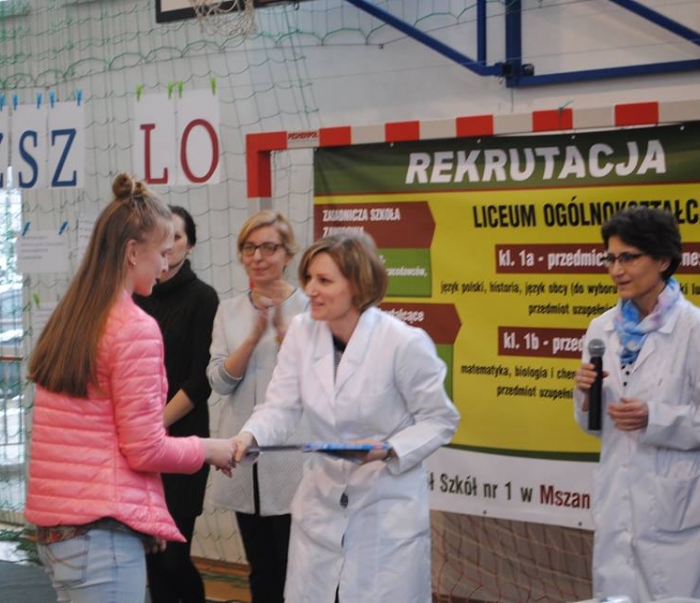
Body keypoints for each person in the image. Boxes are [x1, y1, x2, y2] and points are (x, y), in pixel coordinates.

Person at [24, 174, 235, 603]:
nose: (165, 265)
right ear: (132, 252)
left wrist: (146, 514)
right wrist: (209, 449)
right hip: (98, 537)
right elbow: (144, 449)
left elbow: (103, 437)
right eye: (162, 253)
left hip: (61, 535)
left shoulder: (74, 316)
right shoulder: (133, 326)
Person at [230, 233, 459, 603]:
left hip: (384, 511)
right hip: (320, 507)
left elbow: (440, 420)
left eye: (324, 280)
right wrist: (249, 436)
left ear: (357, 285)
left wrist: (388, 449)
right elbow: (280, 406)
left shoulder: (403, 342)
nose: (311, 290)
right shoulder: (302, 332)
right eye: (309, 278)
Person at [572, 206, 700, 602]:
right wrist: (585, 395)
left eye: (629, 258)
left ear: (663, 260)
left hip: (679, 512)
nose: (617, 270)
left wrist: (656, 417)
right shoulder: (601, 329)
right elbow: (595, 426)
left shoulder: (696, 329)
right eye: (610, 259)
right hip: (619, 503)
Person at [206, 210, 309, 603]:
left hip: (293, 456)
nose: (258, 257)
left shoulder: (309, 308)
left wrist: (282, 334)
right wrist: (251, 339)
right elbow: (219, 382)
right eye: (249, 248)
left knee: (296, 567)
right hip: (242, 453)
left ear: (287, 254)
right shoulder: (228, 310)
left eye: (269, 247)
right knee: (260, 568)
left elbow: (318, 383)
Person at [134, 206, 219, 603]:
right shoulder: (137, 295)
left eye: (177, 237)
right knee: (151, 558)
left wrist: (156, 423)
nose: (168, 246)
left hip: (182, 438)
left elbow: (200, 380)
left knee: (173, 557)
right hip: (140, 441)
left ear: (191, 246)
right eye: (163, 237)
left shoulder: (203, 298)